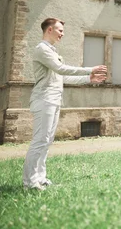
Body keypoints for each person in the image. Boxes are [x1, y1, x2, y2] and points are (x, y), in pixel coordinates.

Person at [22, 18, 107, 190]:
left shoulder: (52, 52)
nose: (62, 34)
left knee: (46, 141)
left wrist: (88, 79)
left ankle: (41, 178)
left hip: (53, 100)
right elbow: (61, 69)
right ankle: (29, 182)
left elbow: (62, 76)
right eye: (60, 30)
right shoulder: (41, 49)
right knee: (39, 140)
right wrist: (90, 69)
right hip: (44, 99)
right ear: (50, 30)